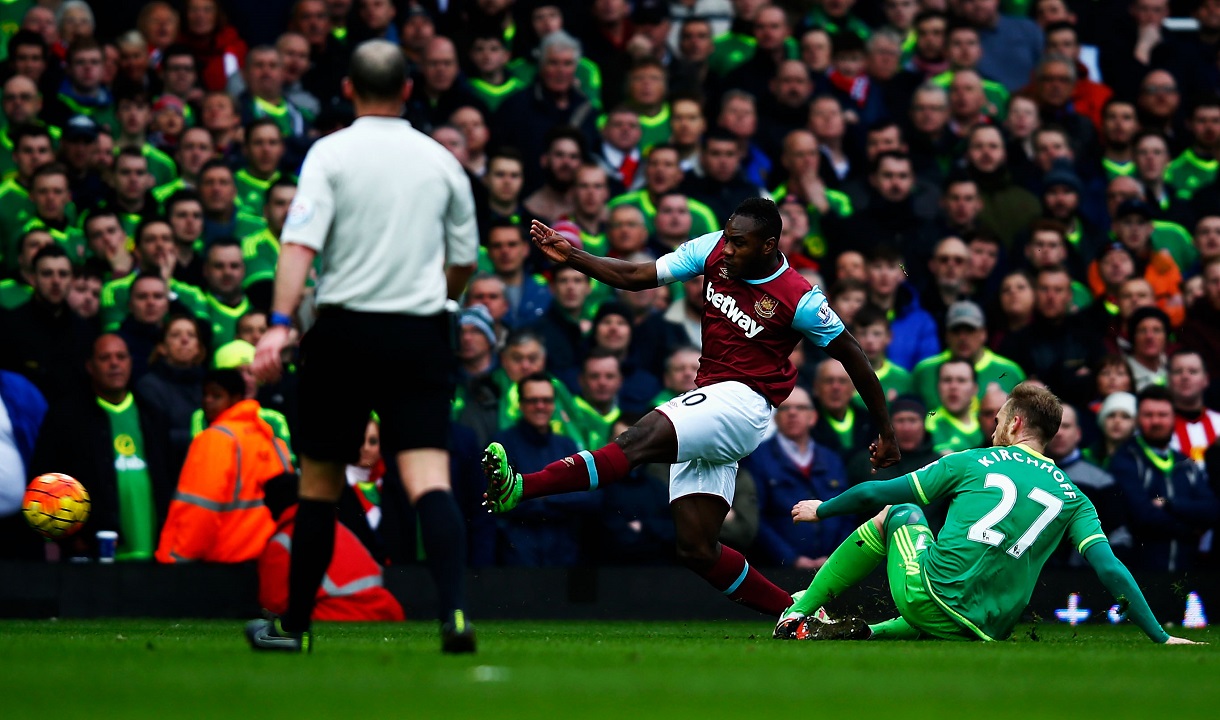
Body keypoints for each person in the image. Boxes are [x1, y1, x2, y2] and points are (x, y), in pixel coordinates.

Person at [483, 198, 899, 618]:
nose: (729, 249)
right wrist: (573, 255)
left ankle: (521, 487)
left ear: (769, 245)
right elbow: (638, 276)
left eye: (740, 243)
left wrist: (886, 432)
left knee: (636, 440)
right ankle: (798, 613)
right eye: (728, 238)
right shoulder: (713, 248)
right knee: (697, 549)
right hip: (712, 401)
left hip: (743, 403)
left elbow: (855, 359)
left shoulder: (800, 299)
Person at [249, 40, 477, 653]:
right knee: (429, 479)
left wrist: (277, 322)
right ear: (409, 89)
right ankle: (454, 617)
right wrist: (441, 300)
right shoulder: (441, 162)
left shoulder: (329, 154)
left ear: (348, 89)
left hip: (343, 332)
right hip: (419, 333)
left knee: (320, 482)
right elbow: (463, 261)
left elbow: (298, 246)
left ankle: (295, 627)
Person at [775, 382, 1201, 645]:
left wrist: (822, 510)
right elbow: (1111, 569)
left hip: (931, 597)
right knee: (953, 600)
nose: (993, 428)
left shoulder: (973, 460)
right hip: (989, 625)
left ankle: (796, 612)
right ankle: (868, 632)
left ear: (1016, 424)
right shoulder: (1074, 497)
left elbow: (874, 492)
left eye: (998, 420)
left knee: (899, 511)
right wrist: (1160, 636)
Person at [155, 368, 293, 563]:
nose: (207, 401)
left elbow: (200, 508)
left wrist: (177, 558)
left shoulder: (216, 439)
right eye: (205, 395)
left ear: (236, 398)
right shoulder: (269, 438)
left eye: (216, 395)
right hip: (268, 558)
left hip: (224, 563)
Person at [258, 472, 405, 622]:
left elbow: (275, 603)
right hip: (386, 609)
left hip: (341, 613)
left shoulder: (282, 543)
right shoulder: (335, 528)